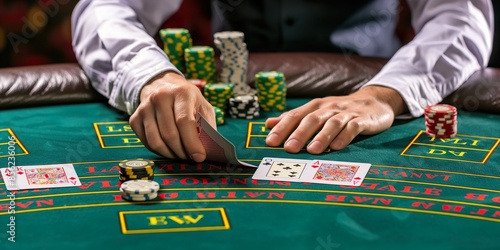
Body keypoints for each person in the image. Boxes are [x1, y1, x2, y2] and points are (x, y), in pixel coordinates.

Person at [71, 0, 493, 162]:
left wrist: (383, 96)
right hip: (237, 90)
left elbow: (461, 15)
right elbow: (105, 7)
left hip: (372, 79)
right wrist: (153, 76)